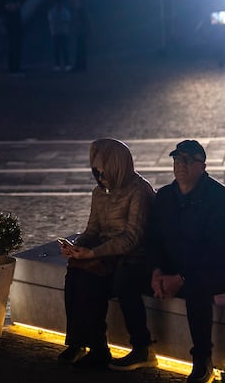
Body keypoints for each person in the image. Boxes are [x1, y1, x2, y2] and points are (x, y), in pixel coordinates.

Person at [134, 140, 225, 383]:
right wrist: (156, 271)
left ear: (202, 166)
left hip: (219, 271)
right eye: (176, 159)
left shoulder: (222, 200)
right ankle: (141, 347)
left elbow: (218, 251)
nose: (180, 165)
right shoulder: (165, 197)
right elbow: (154, 240)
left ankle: (203, 360)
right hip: (172, 269)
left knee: (197, 290)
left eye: (187, 160)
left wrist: (182, 278)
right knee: (127, 275)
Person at [57, 138, 155, 370]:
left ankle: (135, 347)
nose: (100, 177)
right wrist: (77, 248)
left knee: (100, 282)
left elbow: (132, 238)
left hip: (132, 258)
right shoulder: (99, 192)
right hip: (105, 255)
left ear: (117, 167)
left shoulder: (139, 191)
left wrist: (92, 253)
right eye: (96, 171)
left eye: (103, 171)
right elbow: (92, 229)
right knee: (75, 274)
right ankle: (85, 343)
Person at [48, 0, 73, 70]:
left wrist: (59, 21)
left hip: (63, 32)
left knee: (65, 49)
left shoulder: (65, 11)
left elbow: (67, 20)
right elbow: (52, 20)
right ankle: (57, 65)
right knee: (56, 50)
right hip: (55, 33)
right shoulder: (51, 11)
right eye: (58, 4)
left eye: (60, 4)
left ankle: (67, 64)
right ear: (56, 4)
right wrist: (61, 21)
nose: (59, 5)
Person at [1, 0, 26, 74]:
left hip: (17, 35)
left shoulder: (16, 13)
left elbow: (20, 23)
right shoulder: (10, 15)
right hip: (13, 35)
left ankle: (16, 67)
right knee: (12, 51)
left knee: (17, 51)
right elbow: (9, 25)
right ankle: (13, 68)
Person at [69, 0, 92, 72]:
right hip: (79, 32)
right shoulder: (77, 9)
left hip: (82, 32)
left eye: (73, 0)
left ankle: (81, 66)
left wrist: (89, 30)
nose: (72, 2)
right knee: (80, 50)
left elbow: (87, 20)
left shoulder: (81, 9)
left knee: (81, 50)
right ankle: (80, 65)